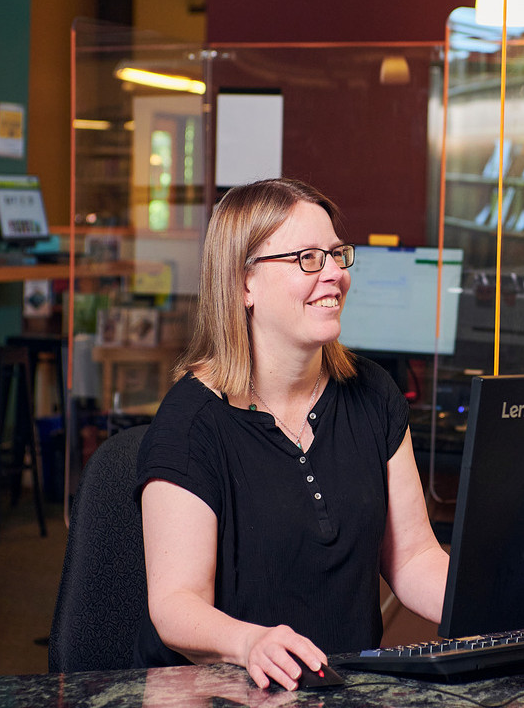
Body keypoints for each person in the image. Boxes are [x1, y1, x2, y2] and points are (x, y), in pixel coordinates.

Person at [134, 178, 450, 691]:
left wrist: (502, 602)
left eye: (336, 255)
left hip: (343, 690)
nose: (334, 276)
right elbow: (174, 604)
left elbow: (413, 559)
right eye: (307, 259)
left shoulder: (373, 395)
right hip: (225, 693)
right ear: (243, 284)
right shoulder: (191, 425)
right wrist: (248, 643)